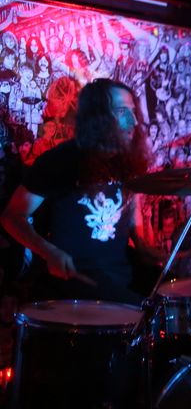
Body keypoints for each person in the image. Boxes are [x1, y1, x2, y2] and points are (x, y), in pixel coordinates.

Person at [0, 78, 152, 304]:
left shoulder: (126, 161)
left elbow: (130, 205)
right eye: (122, 112)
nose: (134, 121)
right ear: (97, 117)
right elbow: (11, 217)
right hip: (71, 291)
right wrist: (49, 252)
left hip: (120, 284)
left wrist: (143, 247)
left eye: (133, 111)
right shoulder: (61, 161)